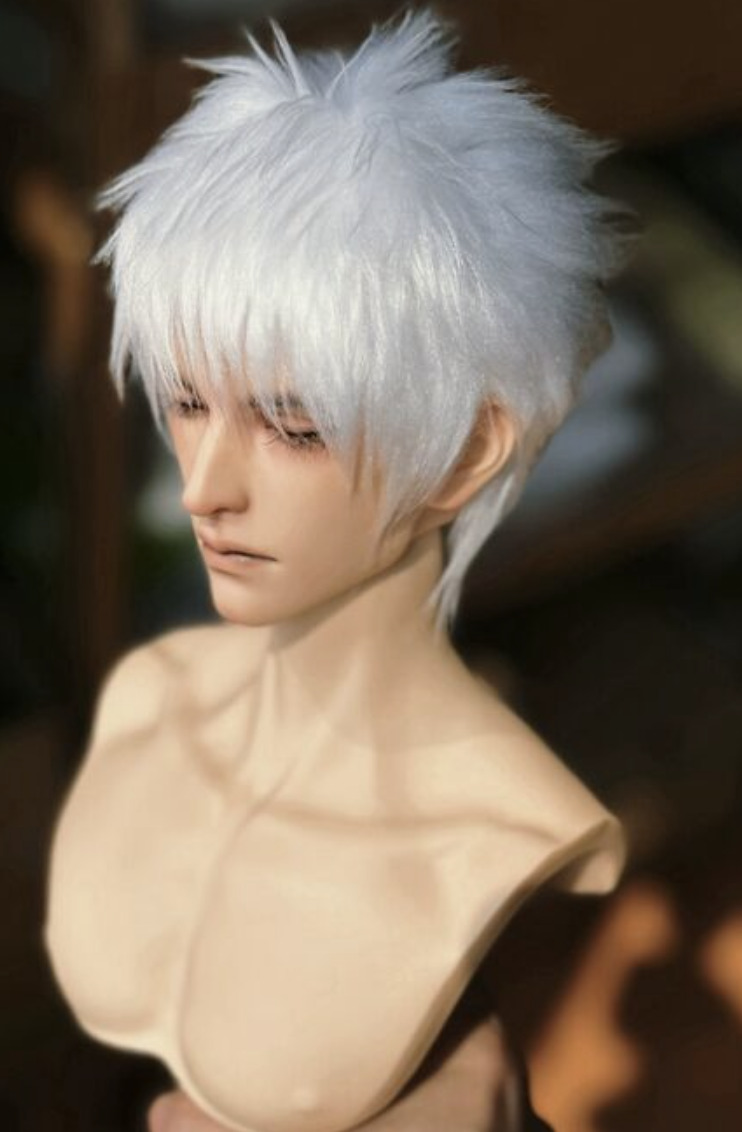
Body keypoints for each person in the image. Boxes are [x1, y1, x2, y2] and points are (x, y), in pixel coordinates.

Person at [43, 10, 630, 1132]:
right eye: (187, 400)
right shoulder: (148, 701)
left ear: (466, 453)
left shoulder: (495, 831)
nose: (202, 487)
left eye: (293, 427)